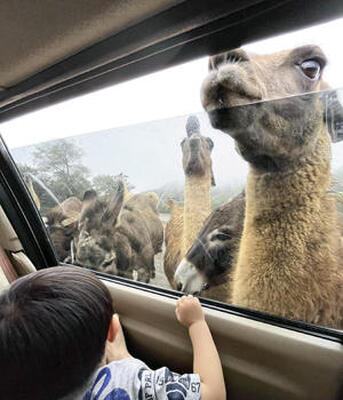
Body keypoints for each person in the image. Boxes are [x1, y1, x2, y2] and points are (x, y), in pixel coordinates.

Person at [0, 266, 226, 400]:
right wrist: (197, 323)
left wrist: (120, 356)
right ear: (112, 329)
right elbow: (213, 393)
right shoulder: (129, 381)